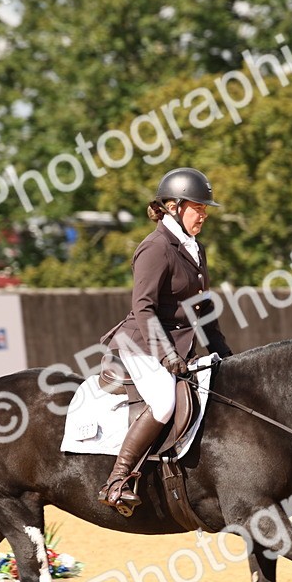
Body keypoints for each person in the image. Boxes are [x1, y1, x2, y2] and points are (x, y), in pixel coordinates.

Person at [96, 167, 234, 514]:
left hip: (176, 347)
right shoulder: (156, 247)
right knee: (163, 402)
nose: (203, 214)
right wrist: (167, 355)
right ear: (173, 206)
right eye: (198, 207)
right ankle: (117, 481)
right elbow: (142, 307)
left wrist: (224, 353)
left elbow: (201, 307)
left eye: (204, 209)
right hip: (140, 344)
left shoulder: (194, 248)